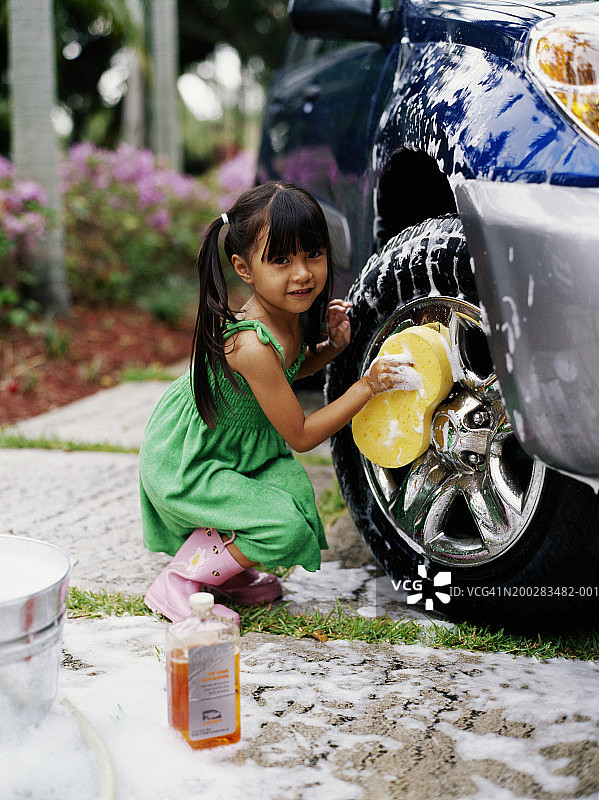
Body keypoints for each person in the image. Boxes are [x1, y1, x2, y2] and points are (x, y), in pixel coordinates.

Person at [139, 181, 415, 624]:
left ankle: (220, 571)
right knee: (282, 528)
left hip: (234, 448)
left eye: (313, 254)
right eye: (281, 260)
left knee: (294, 498)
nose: (302, 273)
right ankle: (179, 581)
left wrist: (329, 348)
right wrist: (366, 387)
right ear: (244, 269)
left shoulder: (288, 316)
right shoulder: (249, 344)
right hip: (191, 459)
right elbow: (302, 436)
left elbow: (289, 372)